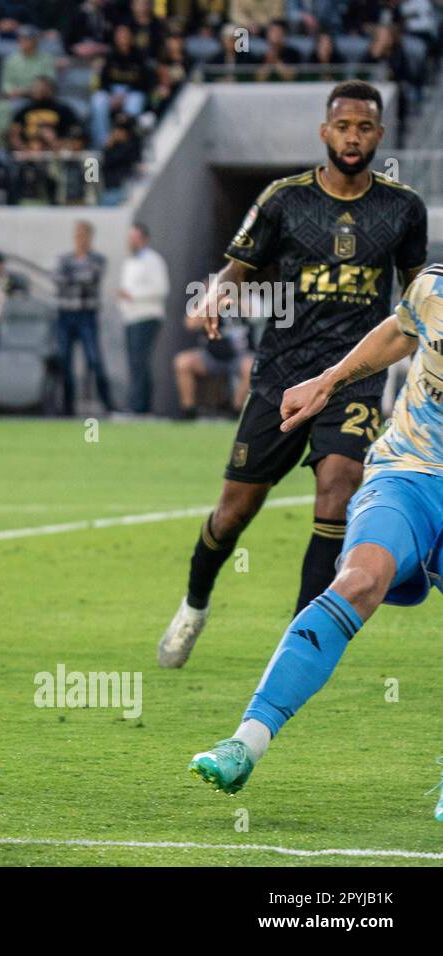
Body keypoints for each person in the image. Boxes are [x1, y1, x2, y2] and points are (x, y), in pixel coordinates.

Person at [158, 81, 427, 670]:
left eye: (364, 127)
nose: (352, 137)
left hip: (353, 378)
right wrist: (215, 296)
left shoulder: (403, 208)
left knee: (338, 489)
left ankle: (299, 642)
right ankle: (194, 604)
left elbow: (416, 297)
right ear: (324, 132)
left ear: (379, 135)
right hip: (281, 378)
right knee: (233, 512)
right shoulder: (284, 199)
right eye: (343, 126)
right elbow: (235, 269)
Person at [187, 263, 443, 823]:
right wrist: (329, 379)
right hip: (407, 470)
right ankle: (245, 743)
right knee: (357, 580)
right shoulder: (434, 286)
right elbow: (400, 329)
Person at [53, 220, 113, 415]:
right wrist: (76, 279)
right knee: (64, 361)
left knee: (94, 359)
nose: (80, 238)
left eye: (83, 234)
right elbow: (59, 280)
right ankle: (67, 408)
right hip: (65, 315)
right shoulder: (65, 259)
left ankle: (108, 405)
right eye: (77, 234)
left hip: (86, 315)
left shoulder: (98, 259)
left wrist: (72, 279)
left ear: (90, 237)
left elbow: (90, 279)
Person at [116, 222, 168, 414]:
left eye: (135, 238)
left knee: (139, 361)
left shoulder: (153, 260)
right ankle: (141, 405)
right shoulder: (130, 261)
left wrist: (133, 296)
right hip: (131, 317)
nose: (131, 241)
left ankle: (137, 406)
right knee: (136, 362)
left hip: (146, 317)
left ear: (144, 239)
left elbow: (161, 289)